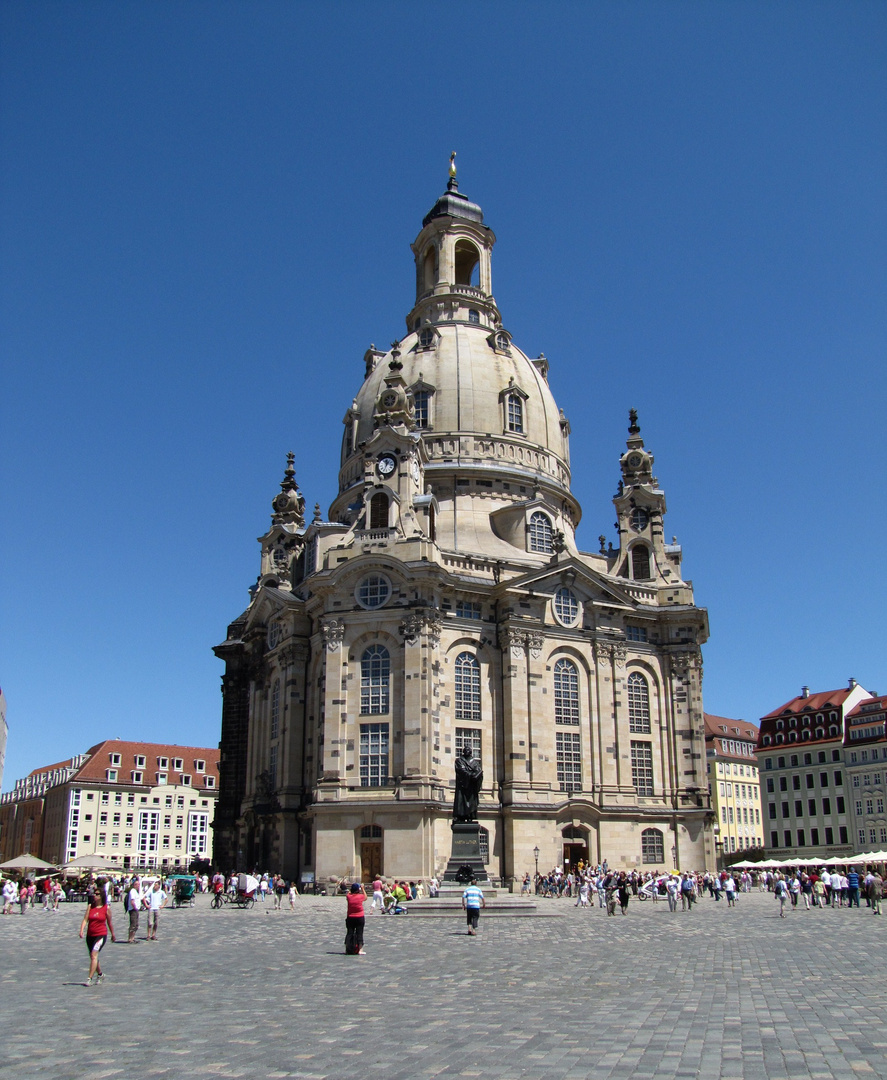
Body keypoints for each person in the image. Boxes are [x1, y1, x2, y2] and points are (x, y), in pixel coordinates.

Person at [79, 888, 116, 985]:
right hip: (90, 935)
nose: (95, 895)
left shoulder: (106, 908)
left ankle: (89, 978)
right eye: (94, 894)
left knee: (94, 954)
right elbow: (85, 919)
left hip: (101, 935)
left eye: (97, 894)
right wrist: (81, 930)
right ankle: (100, 974)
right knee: (93, 956)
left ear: (102, 896)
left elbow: (109, 923)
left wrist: (113, 934)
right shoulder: (90, 907)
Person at [344, 882, 367, 954]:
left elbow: (348, 894)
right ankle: (360, 950)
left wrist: (351, 890)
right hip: (359, 917)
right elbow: (365, 897)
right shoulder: (360, 896)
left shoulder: (349, 897)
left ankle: (347, 949)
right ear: (358, 890)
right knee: (359, 933)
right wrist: (363, 889)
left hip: (350, 917)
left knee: (349, 933)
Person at [126, 877, 143, 942]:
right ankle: (130, 938)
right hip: (133, 910)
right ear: (134, 885)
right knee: (133, 924)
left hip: (135, 909)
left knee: (136, 925)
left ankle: (132, 938)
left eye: (139, 884)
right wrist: (135, 908)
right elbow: (132, 901)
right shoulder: (133, 891)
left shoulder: (136, 891)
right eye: (137, 884)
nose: (138, 886)